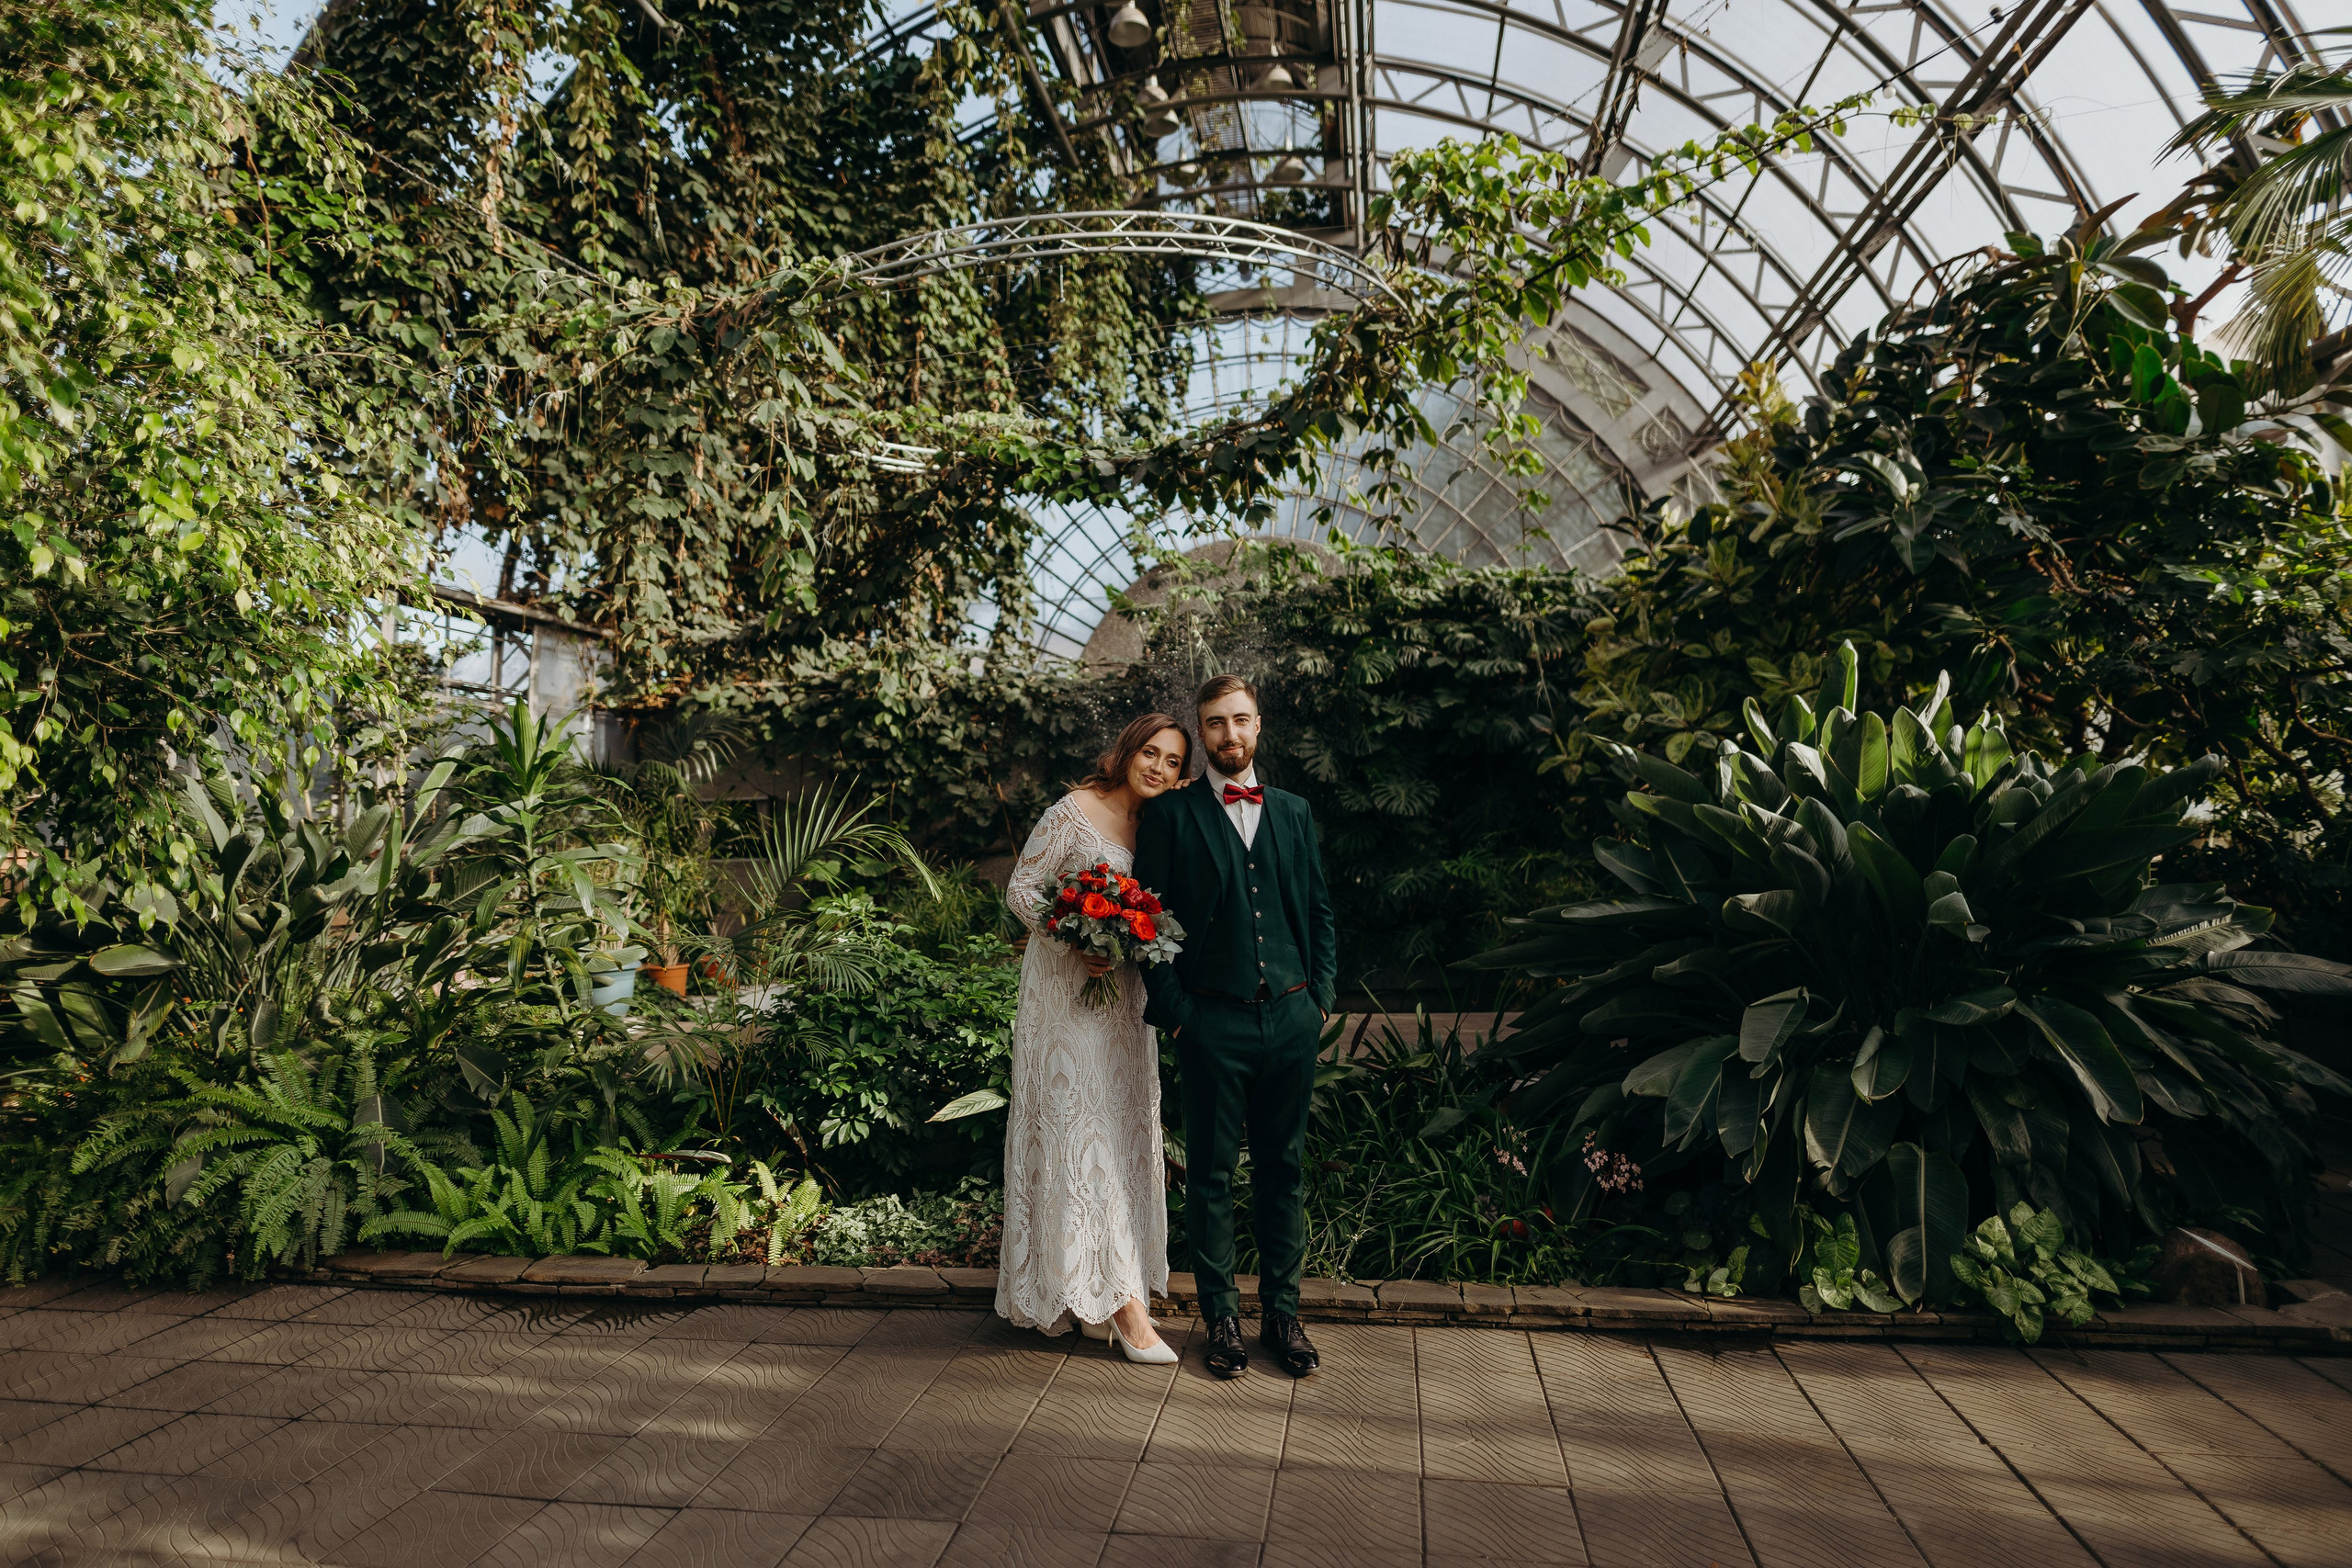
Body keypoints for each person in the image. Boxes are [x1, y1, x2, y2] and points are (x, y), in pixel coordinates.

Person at [1132, 674, 1336, 1379]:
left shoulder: (1294, 810)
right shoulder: (1172, 816)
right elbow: (1148, 922)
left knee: (1284, 1171)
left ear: (1259, 725)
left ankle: (1283, 1314)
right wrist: (1181, 1015)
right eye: (1215, 723)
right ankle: (1220, 1317)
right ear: (1203, 730)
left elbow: (1318, 912)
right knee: (1212, 1177)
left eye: (1240, 720)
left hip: (1290, 1015)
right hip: (1210, 1021)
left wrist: (1320, 1001)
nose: (1229, 734)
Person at [997, 713, 1191, 1364]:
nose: (1158, 767)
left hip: (1124, 999)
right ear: (1127, 750)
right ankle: (1127, 1310)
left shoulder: (1159, 824)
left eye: (1171, 760)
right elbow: (1022, 888)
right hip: (1067, 995)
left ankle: (1090, 1297)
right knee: (1084, 1137)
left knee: (1122, 1131)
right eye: (1150, 752)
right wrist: (1075, 939)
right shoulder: (1075, 809)